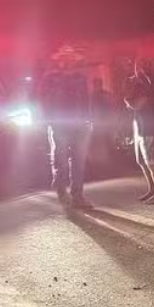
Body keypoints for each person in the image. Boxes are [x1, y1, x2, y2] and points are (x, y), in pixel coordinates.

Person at [38, 45, 94, 209]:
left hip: (80, 123)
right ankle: (61, 189)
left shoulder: (80, 77)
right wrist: (47, 120)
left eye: (71, 58)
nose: (68, 61)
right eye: (65, 58)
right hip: (59, 123)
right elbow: (42, 100)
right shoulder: (50, 77)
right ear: (59, 60)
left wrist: (88, 120)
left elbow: (86, 99)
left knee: (78, 161)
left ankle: (77, 195)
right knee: (61, 158)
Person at [125, 57, 154, 203]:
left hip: (150, 126)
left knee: (151, 160)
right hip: (140, 125)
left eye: (143, 65)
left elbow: (137, 104)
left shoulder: (149, 82)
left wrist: (128, 101)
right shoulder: (138, 82)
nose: (138, 68)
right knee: (141, 160)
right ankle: (152, 189)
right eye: (137, 65)